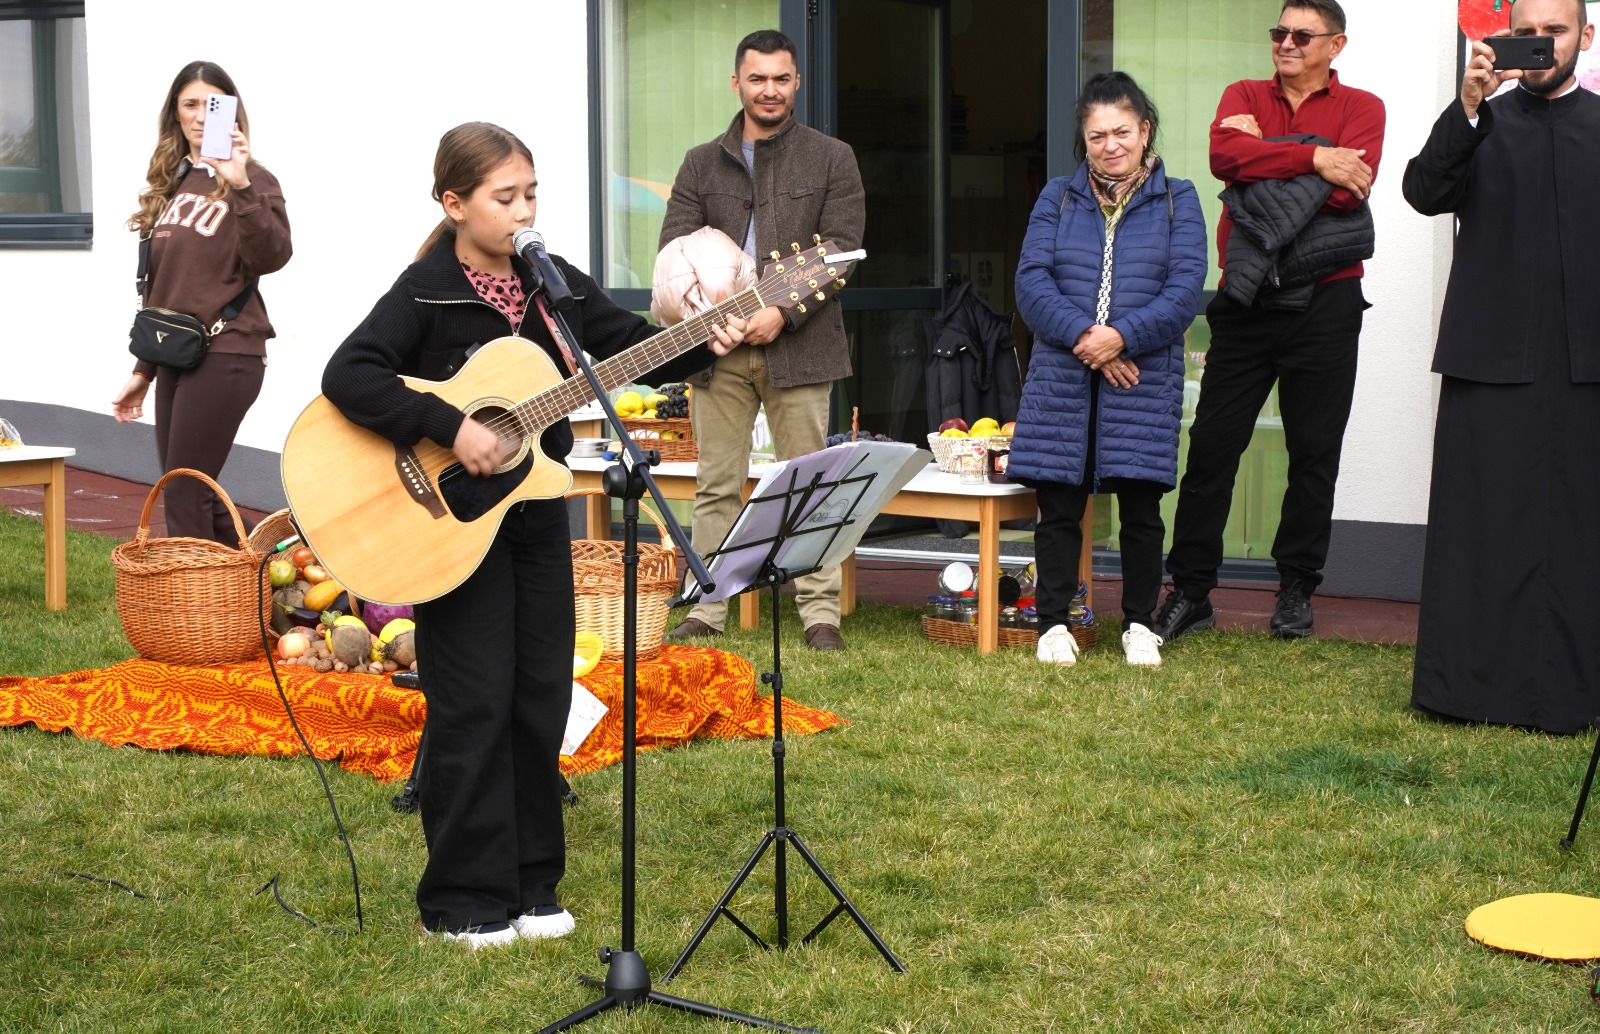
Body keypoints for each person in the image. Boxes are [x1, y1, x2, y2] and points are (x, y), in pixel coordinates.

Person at [320, 123, 745, 947]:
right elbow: (350, 373)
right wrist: (451, 424)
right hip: (453, 523)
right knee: (474, 701)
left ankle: (531, 886)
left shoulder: (552, 288)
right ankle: (463, 900)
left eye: (532, 194)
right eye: (505, 197)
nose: (524, 212)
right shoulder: (427, 290)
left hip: (535, 512)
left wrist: (703, 337)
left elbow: (629, 349)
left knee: (540, 691)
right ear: (455, 204)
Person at [1152, 0, 1384, 643]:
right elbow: (1225, 159)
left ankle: (1296, 590)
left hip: (1327, 301)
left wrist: (1266, 155)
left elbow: (1349, 195)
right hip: (1246, 300)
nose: (1286, 43)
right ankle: (1191, 591)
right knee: (1212, 447)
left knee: (1314, 452)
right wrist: (1314, 158)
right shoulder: (1243, 93)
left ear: (1335, 45)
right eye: (1279, 32)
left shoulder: (1363, 107)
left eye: (1302, 36)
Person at [1404, 0, 1599, 734]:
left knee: (1582, 526)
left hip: (1587, 364)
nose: (1542, 44)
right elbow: (1423, 193)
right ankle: (1468, 689)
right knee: (1481, 526)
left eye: (1556, 31)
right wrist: (1468, 104)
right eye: (1528, 32)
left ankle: (1579, 690)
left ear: (1586, 37)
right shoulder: (1479, 121)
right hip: (1490, 357)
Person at [659, 28, 866, 652]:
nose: (769, 89)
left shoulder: (833, 157)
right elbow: (675, 249)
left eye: (780, 78)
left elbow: (842, 250)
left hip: (800, 346)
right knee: (716, 484)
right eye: (757, 78)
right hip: (719, 351)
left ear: (796, 82)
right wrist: (711, 318)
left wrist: (783, 311)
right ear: (737, 83)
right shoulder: (700, 162)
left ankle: (820, 613)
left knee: (809, 487)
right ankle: (707, 607)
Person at [1010, 72, 1208, 668]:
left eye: (1121, 132)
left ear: (1144, 131)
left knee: (1142, 511)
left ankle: (1140, 624)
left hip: (1141, 377)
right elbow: (1031, 282)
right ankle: (1052, 625)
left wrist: (1121, 339)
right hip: (1063, 377)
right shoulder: (1057, 197)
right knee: (1058, 509)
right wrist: (1086, 338)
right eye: (1097, 136)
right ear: (1084, 140)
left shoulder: (1179, 198)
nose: (1110, 145)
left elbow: (1184, 290)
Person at [111, 62, 291, 543]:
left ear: (231, 113)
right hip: (179, 353)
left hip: (229, 349)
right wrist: (143, 372)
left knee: (185, 491)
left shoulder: (255, 179)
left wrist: (240, 185)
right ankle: (269, 569)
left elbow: (272, 256)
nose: (199, 116)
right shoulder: (173, 184)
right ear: (175, 112)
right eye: (190, 104)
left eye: (212, 106)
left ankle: (191, 588)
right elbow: (166, 289)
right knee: (195, 491)